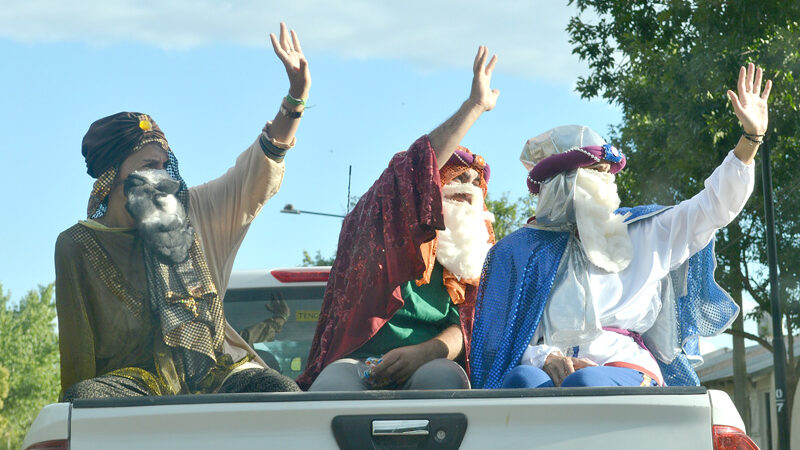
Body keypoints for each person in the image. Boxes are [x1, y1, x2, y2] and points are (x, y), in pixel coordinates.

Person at [470, 64, 772, 389]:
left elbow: (713, 207)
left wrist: (750, 140)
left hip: (623, 362)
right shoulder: (518, 251)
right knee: (522, 382)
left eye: (605, 172)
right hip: (545, 367)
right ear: (558, 184)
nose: (603, 182)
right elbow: (497, 344)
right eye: (591, 171)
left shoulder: (644, 231)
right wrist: (545, 358)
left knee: (584, 385)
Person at [55, 23, 310, 400]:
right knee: (84, 396)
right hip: (136, 386)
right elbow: (79, 351)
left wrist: (295, 100)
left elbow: (252, 176)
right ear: (112, 176)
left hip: (217, 375)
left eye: (164, 165)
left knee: (277, 388)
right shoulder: (78, 244)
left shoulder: (191, 212)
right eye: (147, 166)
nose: (160, 178)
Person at [296, 46, 499, 391]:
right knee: (330, 390)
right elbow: (413, 167)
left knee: (445, 382)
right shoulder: (382, 218)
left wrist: (424, 353)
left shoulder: (479, 250)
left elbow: (471, 325)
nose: (467, 188)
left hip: (430, 361)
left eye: (473, 181)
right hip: (359, 361)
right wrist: (474, 107)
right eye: (455, 177)